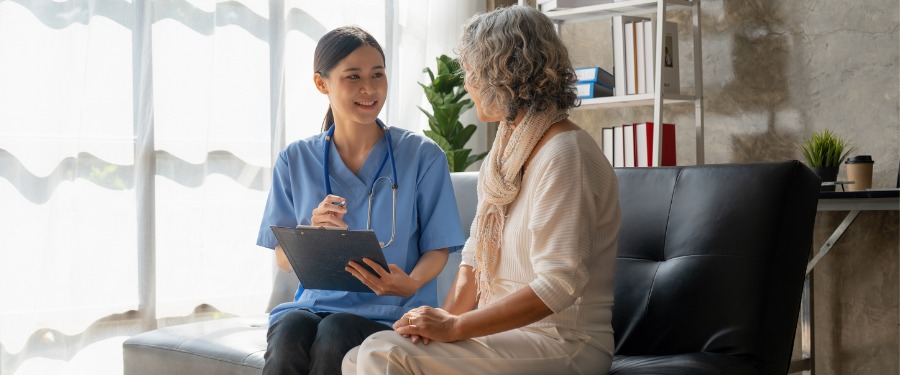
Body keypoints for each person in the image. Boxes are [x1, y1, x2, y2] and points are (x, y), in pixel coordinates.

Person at [343, 5, 621, 375]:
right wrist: (442, 321)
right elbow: (475, 256)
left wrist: (456, 328)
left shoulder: (565, 153)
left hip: (564, 341)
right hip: (505, 335)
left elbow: (560, 284)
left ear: (502, 74)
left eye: (472, 71)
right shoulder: (506, 152)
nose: (467, 83)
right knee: (357, 355)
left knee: (385, 354)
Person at [256, 26, 466, 375]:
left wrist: (411, 282)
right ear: (322, 84)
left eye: (378, 75)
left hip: (394, 309)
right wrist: (310, 231)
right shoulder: (294, 159)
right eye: (353, 77)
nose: (369, 89)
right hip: (314, 305)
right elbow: (281, 258)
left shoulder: (422, 156)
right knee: (289, 329)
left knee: (336, 331)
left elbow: (438, 249)